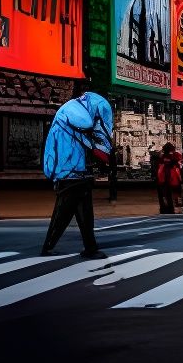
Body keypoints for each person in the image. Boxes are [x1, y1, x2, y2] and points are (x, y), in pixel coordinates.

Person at [41, 82, 113, 258]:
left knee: (82, 210)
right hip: (67, 171)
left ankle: (90, 247)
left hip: (76, 172)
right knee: (65, 212)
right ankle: (49, 247)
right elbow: (89, 125)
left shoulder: (74, 110)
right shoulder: (74, 112)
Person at [157, 143, 182, 213]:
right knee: (171, 195)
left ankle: (164, 209)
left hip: (163, 179)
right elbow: (179, 161)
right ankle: (171, 209)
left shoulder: (162, 157)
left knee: (165, 195)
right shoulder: (174, 157)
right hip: (171, 178)